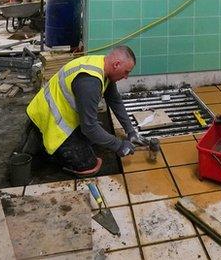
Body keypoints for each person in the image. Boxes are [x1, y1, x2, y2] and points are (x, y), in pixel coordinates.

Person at [23, 46, 145, 175]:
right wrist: (119, 146)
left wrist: (131, 131)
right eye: (126, 72)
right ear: (116, 65)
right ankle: (45, 148)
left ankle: (42, 139)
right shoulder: (90, 82)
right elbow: (90, 128)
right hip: (49, 121)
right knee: (89, 165)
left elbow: (115, 100)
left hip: (53, 112)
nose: (126, 76)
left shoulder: (102, 65)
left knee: (98, 135)